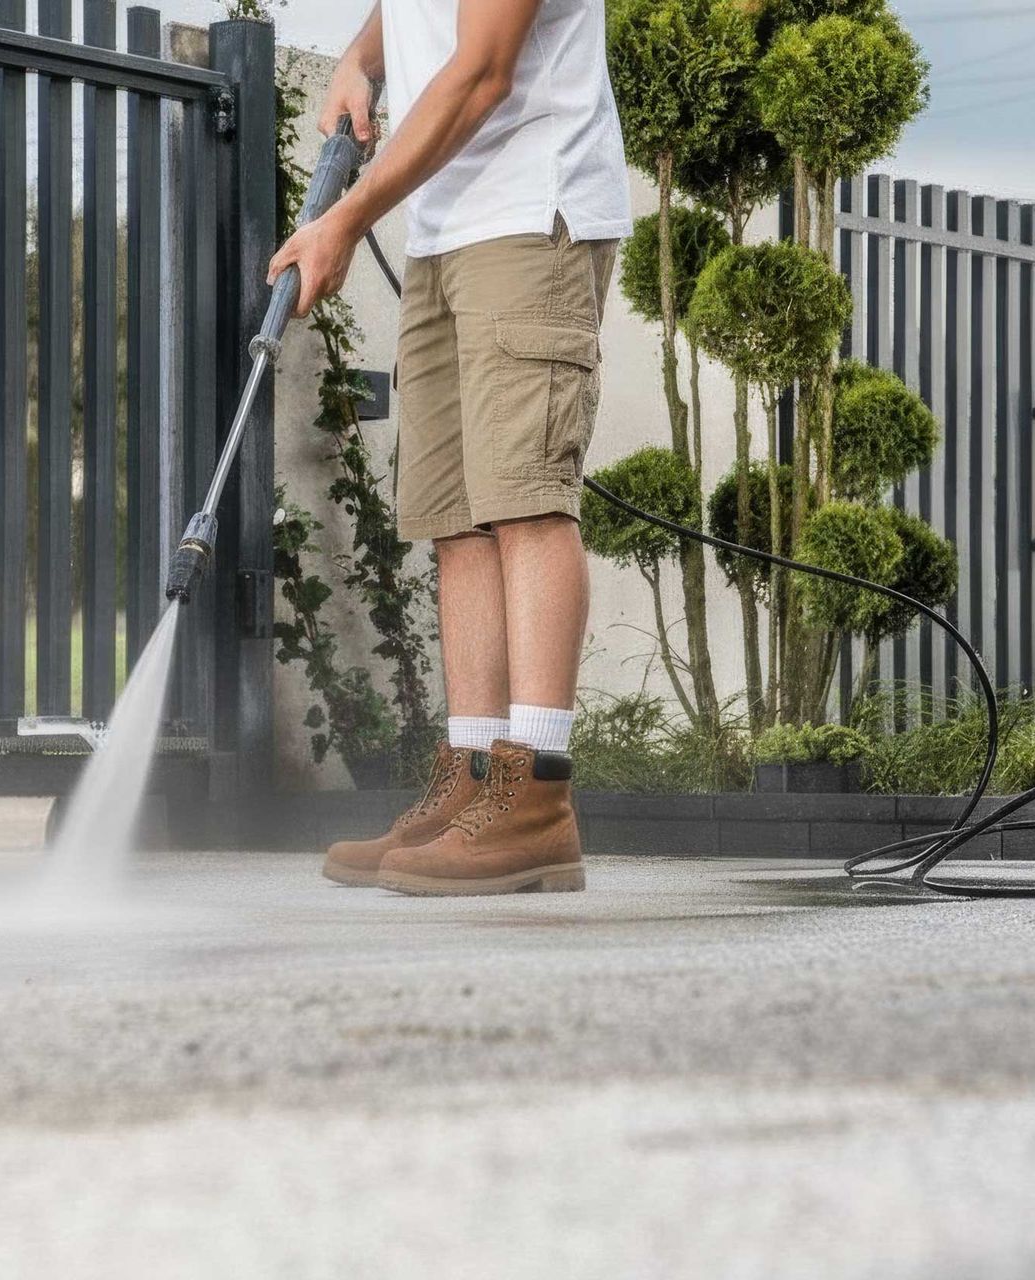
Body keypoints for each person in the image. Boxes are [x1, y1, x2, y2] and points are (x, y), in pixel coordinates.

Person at [268, 0, 630, 895]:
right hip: (443, 224)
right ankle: (473, 777)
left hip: (528, 210)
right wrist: (360, 56)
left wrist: (345, 219)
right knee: (455, 519)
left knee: (524, 501)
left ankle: (536, 795)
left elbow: (482, 68)